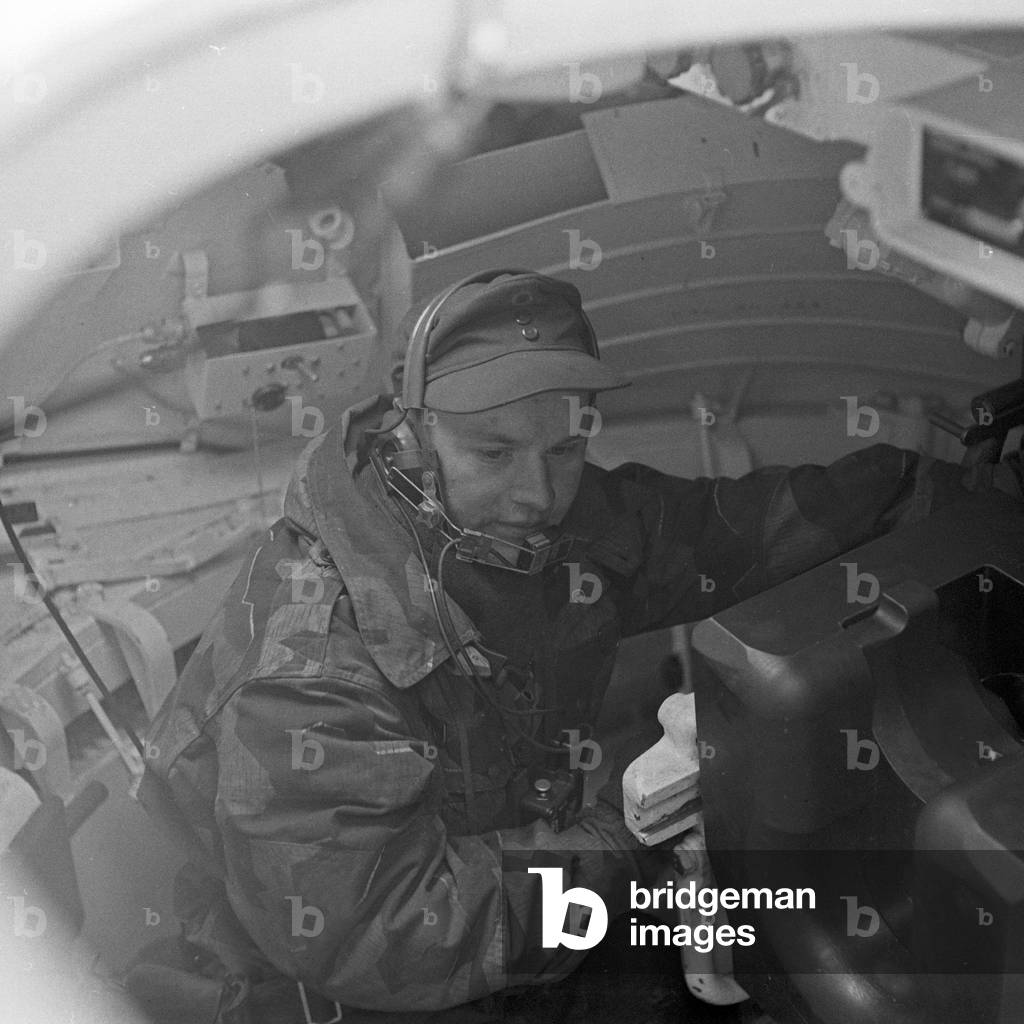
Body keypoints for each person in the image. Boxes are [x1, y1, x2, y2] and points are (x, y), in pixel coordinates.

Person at [140, 269, 1023, 1024]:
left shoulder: (539, 515)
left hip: (514, 880)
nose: (538, 493)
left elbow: (722, 537)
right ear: (411, 431)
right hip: (341, 985)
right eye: (494, 450)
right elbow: (386, 931)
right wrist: (625, 844)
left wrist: (925, 493)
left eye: (567, 448)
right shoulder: (309, 662)